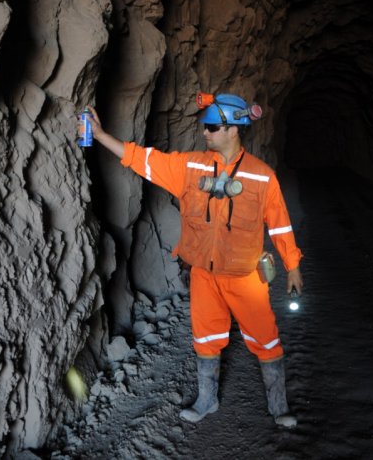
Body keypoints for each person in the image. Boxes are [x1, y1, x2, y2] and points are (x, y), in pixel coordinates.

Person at [84, 92, 303, 428]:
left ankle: (279, 406)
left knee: (266, 337)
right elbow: (142, 159)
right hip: (204, 273)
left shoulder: (261, 177)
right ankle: (207, 399)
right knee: (205, 337)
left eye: (212, 126)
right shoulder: (191, 166)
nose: (205, 132)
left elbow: (280, 224)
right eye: (205, 126)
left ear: (233, 130)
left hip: (246, 275)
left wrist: (293, 267)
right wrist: (100, 136)